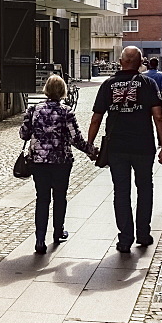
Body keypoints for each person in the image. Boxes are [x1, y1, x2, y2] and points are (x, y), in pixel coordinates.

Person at [87, 47, 162, 253]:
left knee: (121, 191)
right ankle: (143, 234)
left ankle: (125, 239)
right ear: (140, 62)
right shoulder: (148, 83)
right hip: (143, 145)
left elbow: (96, 117)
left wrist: (90, 145)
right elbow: (158, 117)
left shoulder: (108, 85)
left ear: (121, 61)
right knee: (145, 188)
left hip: (117, 147)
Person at [20, 75, 97, 254]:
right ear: (63, 91)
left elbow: (23, 134)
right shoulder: (66, 111)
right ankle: (58, 232)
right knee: (60, 197)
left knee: (42, 199)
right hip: (61, 161)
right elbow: (75, 138)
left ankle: (40, 240)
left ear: (46, 89)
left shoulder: (33, 110)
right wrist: (90, 151)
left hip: (38, 161)